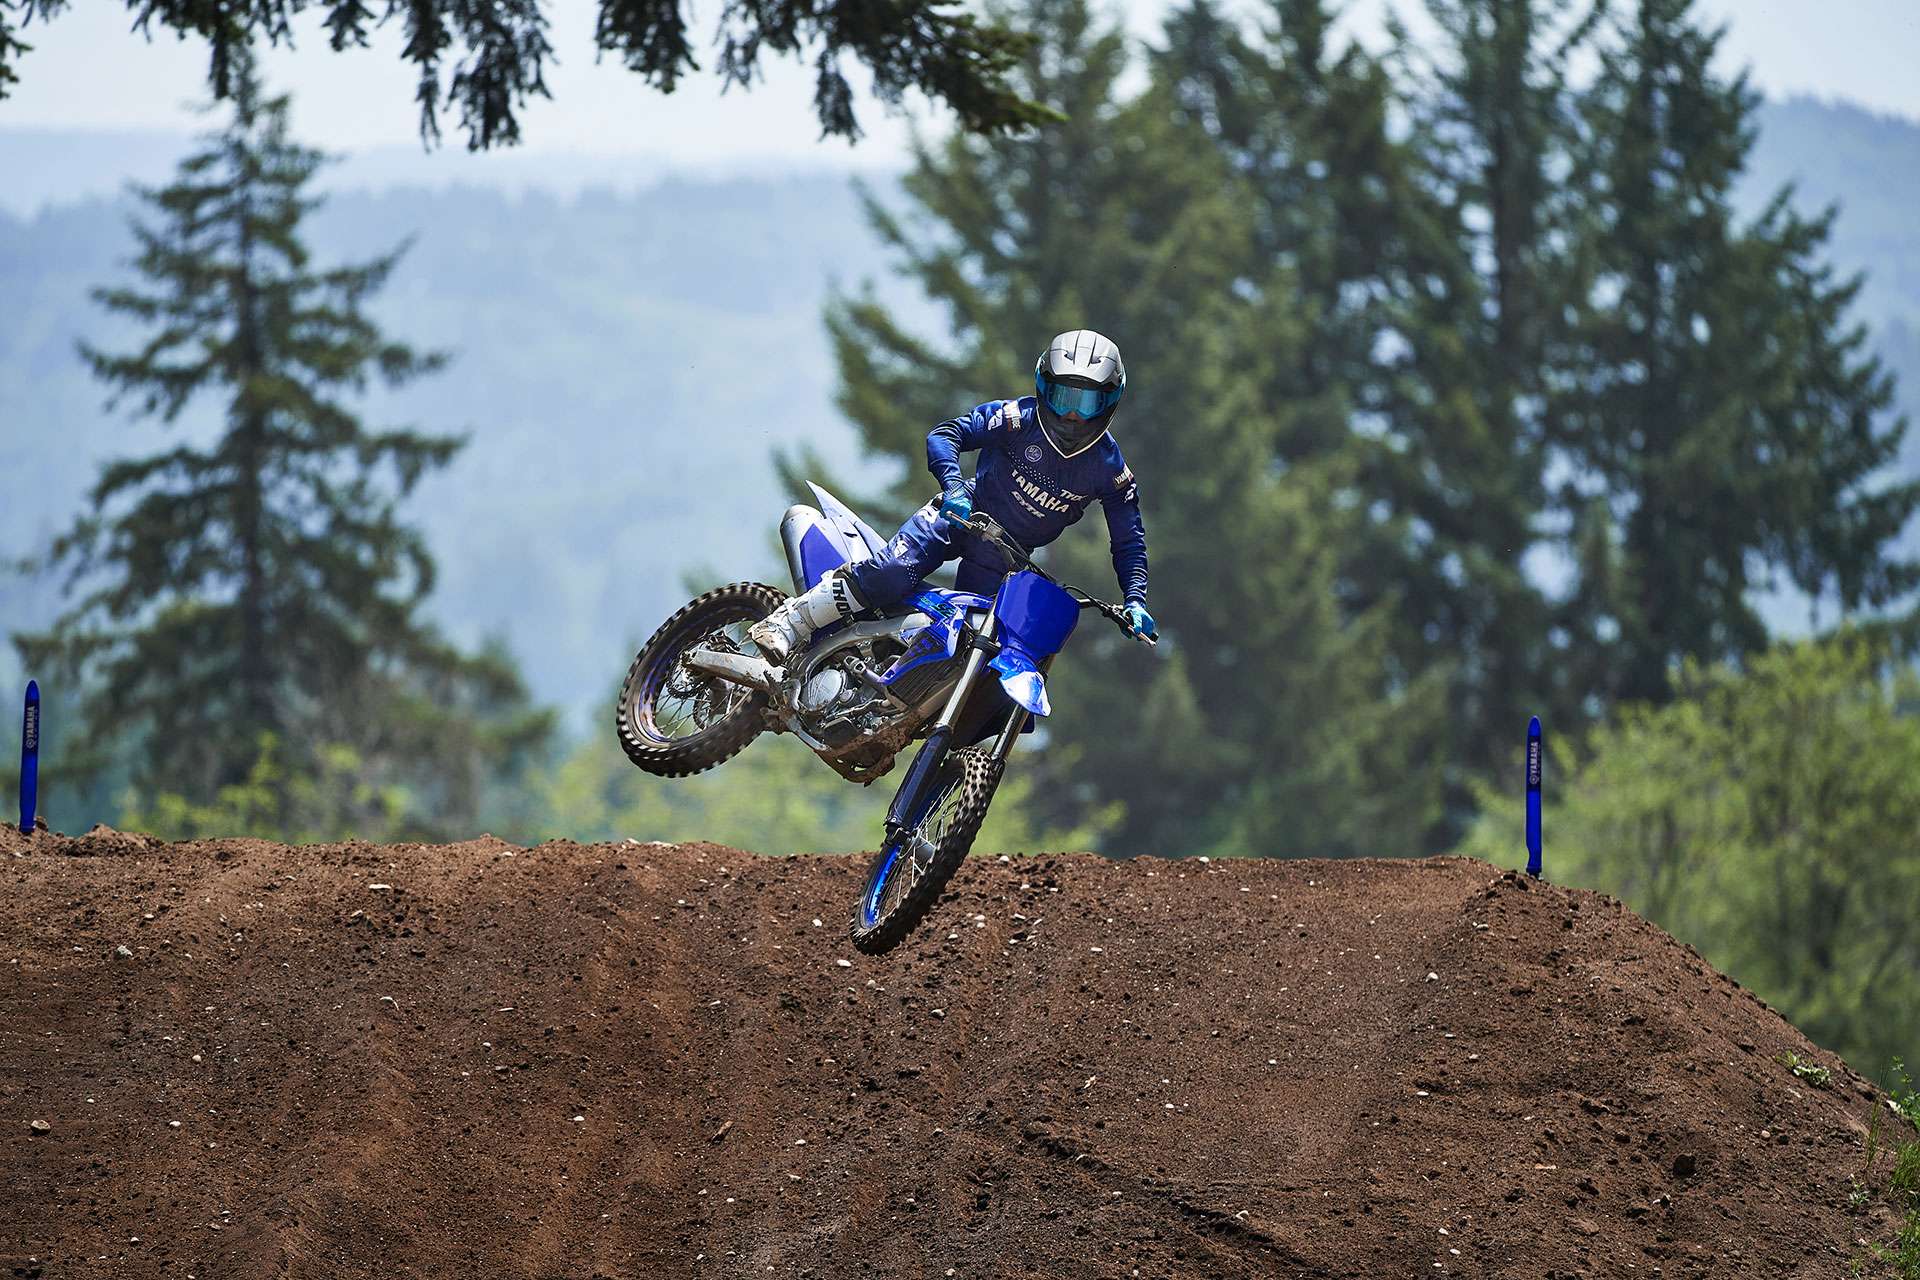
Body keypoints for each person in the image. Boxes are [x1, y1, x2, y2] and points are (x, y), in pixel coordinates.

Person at [750, 329, 1155, 663]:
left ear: (1110, 401)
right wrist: (954, 488)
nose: (1072, 416)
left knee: (978, 648)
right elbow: (946, 435)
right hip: (961, 516)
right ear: (1044, 388)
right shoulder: (1016, 419)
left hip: (1006, 558)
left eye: (1086, 403)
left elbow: (1129, 541)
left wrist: (1135, 600)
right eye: (1064, 398)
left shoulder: (1111, 471)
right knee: (892, 573)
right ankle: (789, 622)